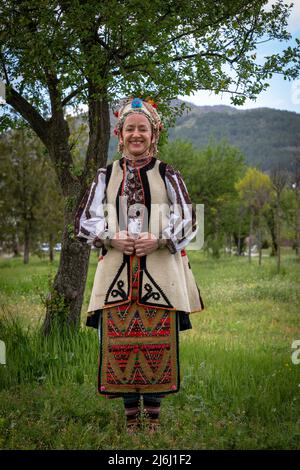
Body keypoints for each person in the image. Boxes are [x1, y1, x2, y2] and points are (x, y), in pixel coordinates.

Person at [75, 96, 204, 434]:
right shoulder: (106, 175)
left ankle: (155, 420)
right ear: (120, 134)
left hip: (160, 275)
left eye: (142, 129)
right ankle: (132, 419)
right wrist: (109, 236)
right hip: (116, 274)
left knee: (156, 342)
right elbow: (84, 219)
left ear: (153, 133)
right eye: (129, 128)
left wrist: (159, 239)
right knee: (121, 344)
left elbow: (190, 219)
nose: (136, 134)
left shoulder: (167, 174)